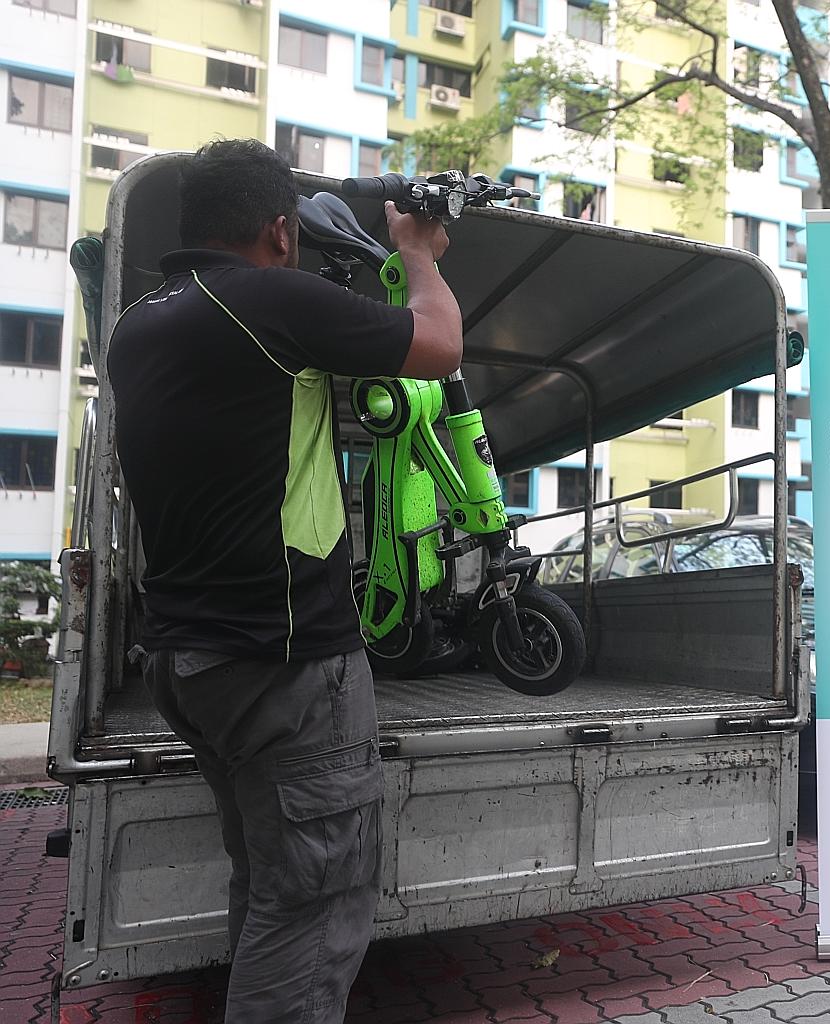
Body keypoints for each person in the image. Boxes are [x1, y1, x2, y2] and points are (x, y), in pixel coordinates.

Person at [105, 139, 463, 1023]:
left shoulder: (138, 323)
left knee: (273, 884)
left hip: (189, 657)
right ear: (278, 229)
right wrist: (417, 254)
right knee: (314, 902)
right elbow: (440, 345)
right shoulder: (267, 300)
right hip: (283, 663)